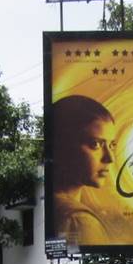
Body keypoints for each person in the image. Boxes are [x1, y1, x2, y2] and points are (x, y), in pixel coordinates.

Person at [51, 95, 119, 246]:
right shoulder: (80, 221)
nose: (110, 158)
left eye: (112, 145)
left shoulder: (58, 206)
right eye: (95, 144)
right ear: (64, 144)